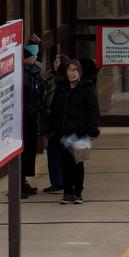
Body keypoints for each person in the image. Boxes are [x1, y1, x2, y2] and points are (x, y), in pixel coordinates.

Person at [48, 58, 100, 205]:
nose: (72, 73)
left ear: (80, 72)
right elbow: (55, 110)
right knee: (65, 163)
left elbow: (93, 110)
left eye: (75, 70)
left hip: (79, 132)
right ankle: (67, 192)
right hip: (64, 131)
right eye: (70, 70)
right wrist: (51, 128)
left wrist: (92, 129)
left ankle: (77, 192)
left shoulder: (87, 88)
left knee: (77, 163)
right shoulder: (61, 87)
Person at [42, 53, 69, 193]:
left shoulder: (63, 82)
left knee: (59, 153)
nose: (56, 63)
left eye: (59, 61)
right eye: (55, 60)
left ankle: (60, 181)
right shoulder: (52, 78)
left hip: (62, 124)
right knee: (55, 152)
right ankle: (59, 180)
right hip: (54, 123)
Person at [21, 45, 43, 198]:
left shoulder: (31, 72)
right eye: (33, 56)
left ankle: (23, 181)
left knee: (28, 151)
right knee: (25, 151)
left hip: (30, 116)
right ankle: (20, 182)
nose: (35, 59)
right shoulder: (25, 74)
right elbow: (33, 92)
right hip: (26, 118)